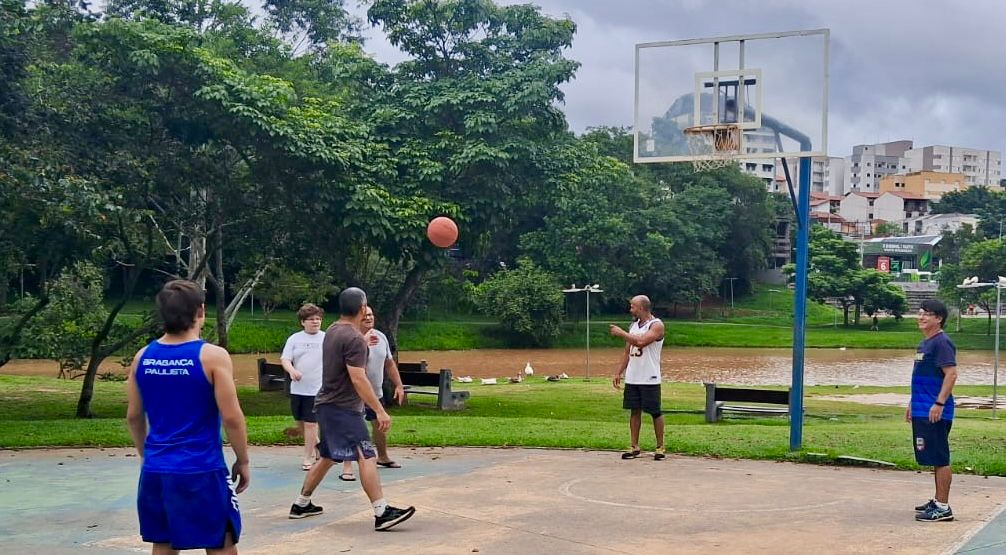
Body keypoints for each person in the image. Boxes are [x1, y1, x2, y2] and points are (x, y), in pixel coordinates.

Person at [126, 280, 250, 554]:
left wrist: (146, 456)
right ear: (201, 311)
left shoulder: (142, 357)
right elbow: (232, 418)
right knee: (221, 541)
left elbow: (134, 416)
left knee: (164, 542)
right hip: (202, 467)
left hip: (157, 469)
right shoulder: (213, 357)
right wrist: (243, 460)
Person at [288, 287, 415, 531]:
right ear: (360, 308)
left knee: (328, 456)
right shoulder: (354, 338)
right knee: (367, 454)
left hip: (326, 404)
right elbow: (358, 378)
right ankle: (382, 512)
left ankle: (301, 503)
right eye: (366, 306)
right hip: (342, 408)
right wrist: (379, 410)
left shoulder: (335, 330)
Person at [908, 299, 958, 522]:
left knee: (940, 458)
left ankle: (943, 507)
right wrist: (912, 403)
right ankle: (937, 500)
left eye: (927, 314)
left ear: (938, 319)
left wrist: (939, 404)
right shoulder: (924, 343)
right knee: (931, 456)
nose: (921, 317)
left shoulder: (941, 343)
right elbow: (920, 378)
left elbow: (951, 374)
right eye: (920, 313)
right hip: (921, 408)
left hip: (935, 411)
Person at [610, 295, 666, 461]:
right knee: (634, 411)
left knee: (655, 411)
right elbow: (628, 351)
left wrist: (621, 333)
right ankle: (634, 446)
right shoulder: (634, 325)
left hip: (649, 377)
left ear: (641, 308)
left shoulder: (656, 325)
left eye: (633, 306)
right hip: (633, 377)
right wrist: (619, 372)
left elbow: (641, 342)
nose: (630, 309)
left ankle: (660, 446)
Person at [281, 304, 327, 472]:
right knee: (300, 422)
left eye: (318, 319)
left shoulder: (326, 338)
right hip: (298, 388)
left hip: (318, 389)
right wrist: (292, 371)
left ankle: (307, 458)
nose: (316, 322)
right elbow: (285, 359)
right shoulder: (294, 339)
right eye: (312, 319)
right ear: (302, 322)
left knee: (311, 424)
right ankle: (319, 447)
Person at [361, 306, 407, 468]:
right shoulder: (352, 338)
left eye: (371, 314)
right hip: (355, 393)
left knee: (380, 425)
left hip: (375, 392)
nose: (369, 318)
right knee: (354, 428)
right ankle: (348, 462)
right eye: (365, 315)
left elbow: (389, 363)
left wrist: (399, 385)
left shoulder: (380, 337)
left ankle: (383, 457)